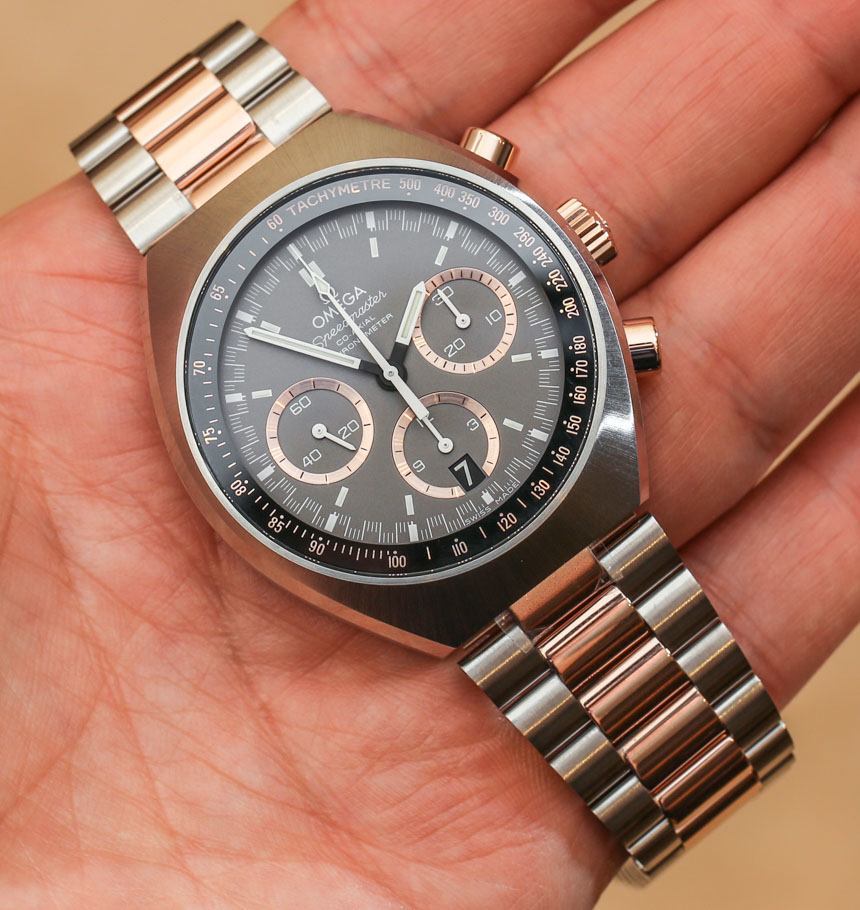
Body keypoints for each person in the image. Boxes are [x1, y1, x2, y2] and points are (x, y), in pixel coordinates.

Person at [0, 0, 857, 905]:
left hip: (570, 487)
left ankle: (690, 778)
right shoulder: (199, 351)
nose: (384, 373)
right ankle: (682, 786)